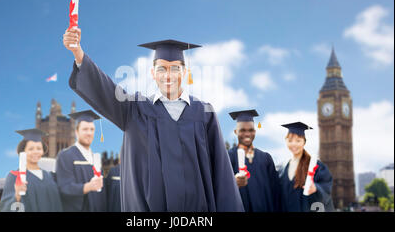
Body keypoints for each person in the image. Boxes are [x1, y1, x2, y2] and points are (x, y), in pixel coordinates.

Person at [62, 27, 243, 212]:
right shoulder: (134, 109)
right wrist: (78, 53)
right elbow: (105, 89)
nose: (168, 75)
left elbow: (222, 172)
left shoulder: (204, 113)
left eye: (175, 68)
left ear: (184, 72)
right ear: (153, 73)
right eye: (162, 69)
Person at [228, 109, 281, 212]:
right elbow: (218, 186)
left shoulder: (266, 158)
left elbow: (275, 191)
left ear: (255, 131)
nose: (247, 134)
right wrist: (232, 183)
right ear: (236, 132)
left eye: (250, 130)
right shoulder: (228, 157)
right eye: (242, 130)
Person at [55, 110, 107, 212]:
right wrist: (88, 187)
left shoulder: (95, 159)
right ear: (76, 132)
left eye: (92, 129)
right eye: (85, 129)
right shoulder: (66, 156)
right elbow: (64, 187)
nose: (89, 133)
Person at [0, 129, 63, 212]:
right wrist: (17, 195)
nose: (35, 152)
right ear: (23, 152)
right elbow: (6, 208)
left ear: (43, 151)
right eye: (31, 149)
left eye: (39, 148)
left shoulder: (50, 176)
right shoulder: (14, 176)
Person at [279, 122, 334, 212]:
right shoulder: (282, 168)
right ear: (286, 141)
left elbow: (326, 186)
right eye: (290, 140)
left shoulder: (316, 166)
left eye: (298, 141)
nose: (294, 144)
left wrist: (316, 188)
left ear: (304, 142)